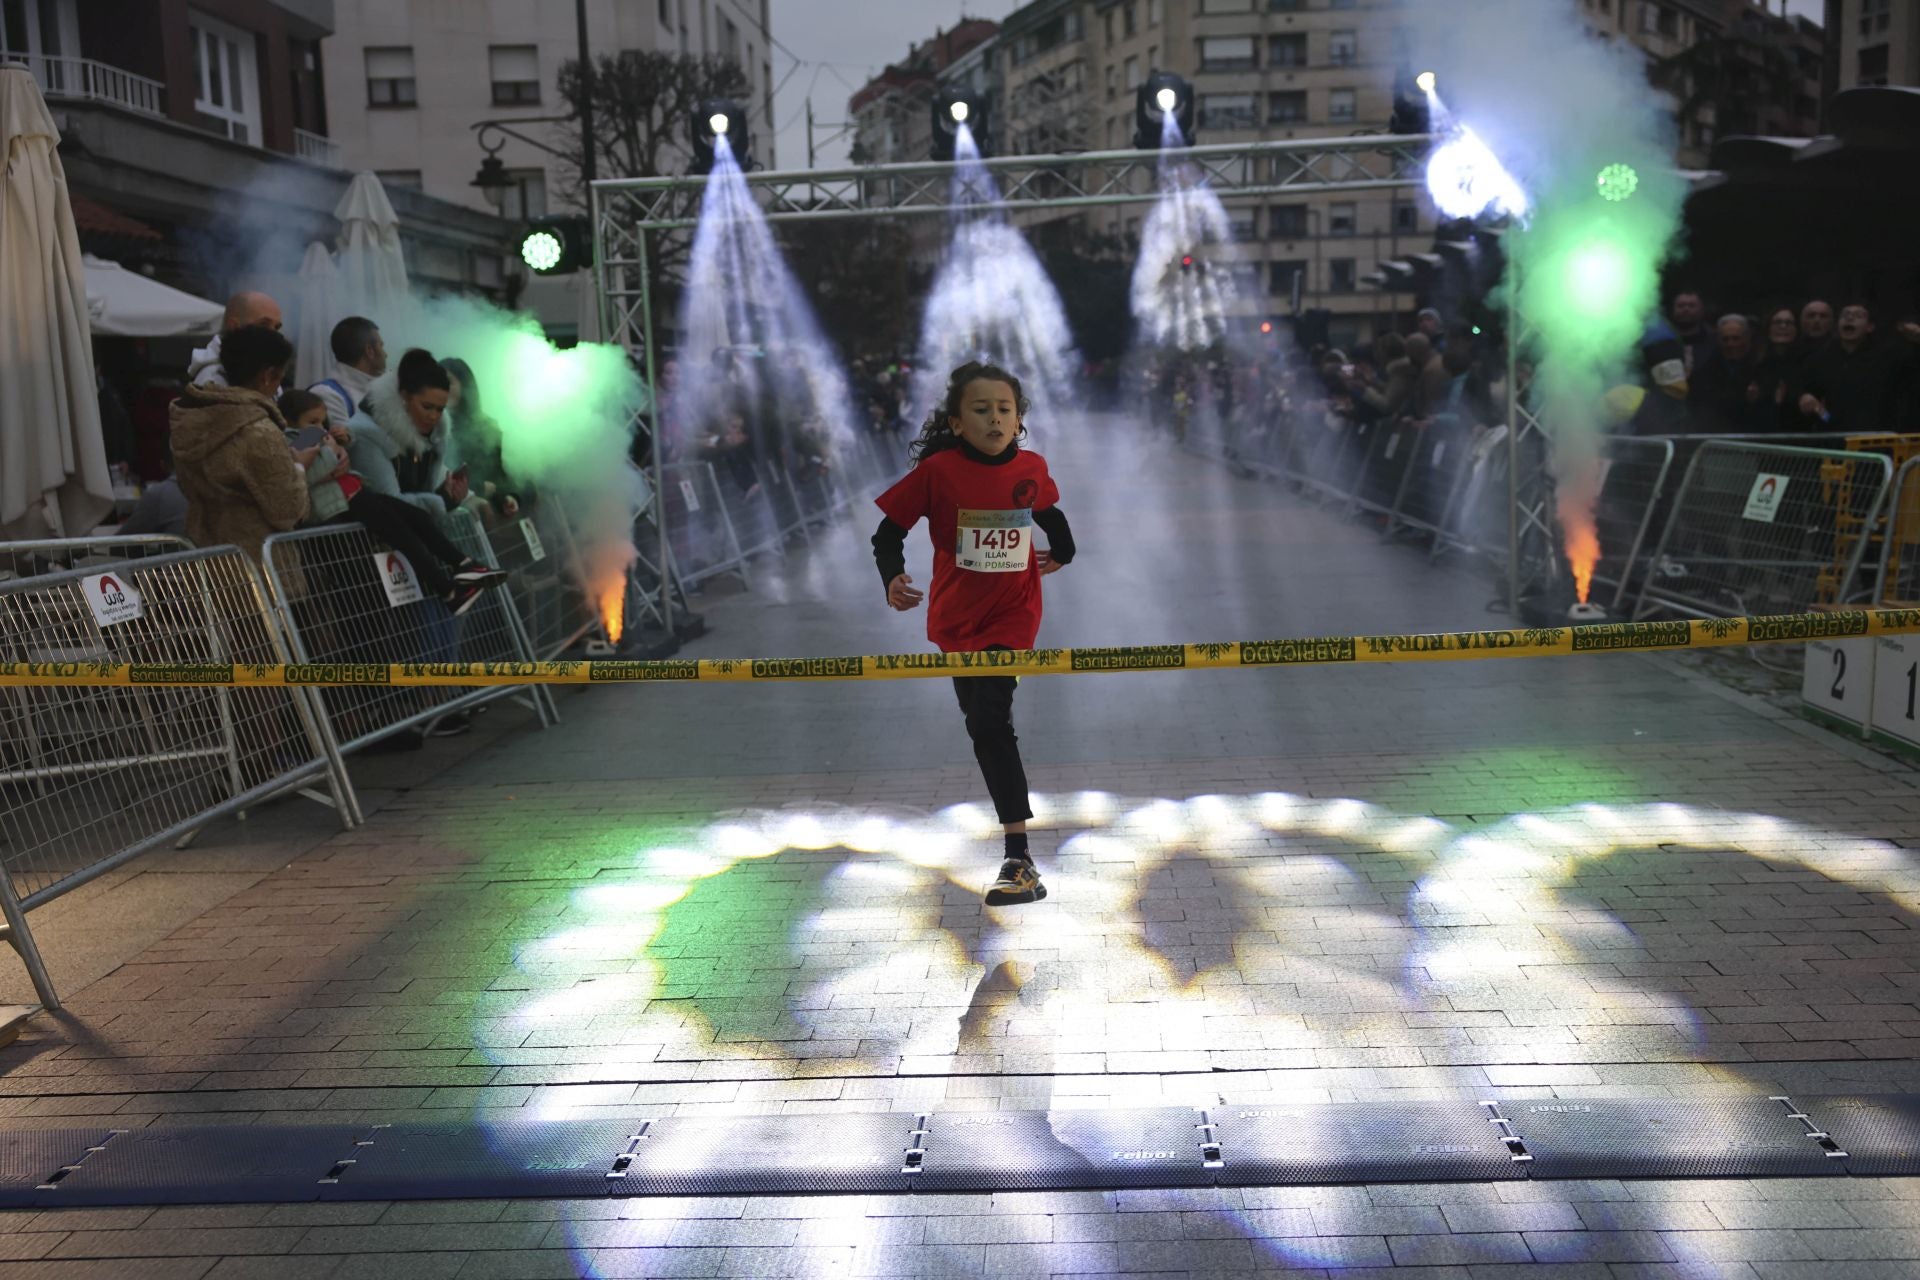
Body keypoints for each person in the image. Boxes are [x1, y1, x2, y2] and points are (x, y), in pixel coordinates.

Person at [871, 361, 1077, 907]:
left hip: (1012, 612)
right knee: (982, 726)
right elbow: (887, 533)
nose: (994, 418)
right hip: (957, 616)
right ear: (957, 423)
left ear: (1019, 419)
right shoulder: (938, 472)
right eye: (980, 410)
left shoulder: (1031, 466)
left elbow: (1050, 514)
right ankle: (1019, 858)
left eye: (1004, 409)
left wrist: (1064, 550)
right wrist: (892, 578)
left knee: (991, 713)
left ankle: (1018, 856)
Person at [281, 386, 505, 616]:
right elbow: (312, 471)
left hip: (355, 493)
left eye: (322, 421)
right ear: (290, 421)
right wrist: (330, 448)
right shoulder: (294, 440)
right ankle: (447, 589)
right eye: (312, 422)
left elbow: (334, 460)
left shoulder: (314, 437)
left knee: (417, 517)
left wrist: (344, 440)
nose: (319, 428)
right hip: (341, 505)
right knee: (403, 535)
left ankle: (464, 565)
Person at [169, 326, 309, 562]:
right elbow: (289, 511)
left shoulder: (191, 419)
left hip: (208, 559)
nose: (279, 386)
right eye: (280, 377)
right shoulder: (259, 432)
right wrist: (299, 467)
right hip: (261, 567)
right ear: (267, 376)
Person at [346, 348, 464, 517]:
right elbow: (391, 505)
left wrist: (449, 495)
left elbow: (422, 492)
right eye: (427, 407)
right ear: (404, 396)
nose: (433, 417)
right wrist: (441, 501)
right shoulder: (366, 433)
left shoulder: (434, 436)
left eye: (440, 409)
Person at [1798, 302, 1920, 433]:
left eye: (1858, 315)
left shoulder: (1889, 357)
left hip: (1876, 437)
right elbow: (1808, 392)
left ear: (1870, 327)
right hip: (1834, 438)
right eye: (1845, 315)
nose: (1850, 318)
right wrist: (1806, 399)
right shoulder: (1821, 358)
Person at [188, 291, 283, 388]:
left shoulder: (264, 376)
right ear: (234, 326)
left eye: (276, 327)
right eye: (263, 324)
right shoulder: (212, 382)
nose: (273, 334)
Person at [1687, 314, 1761, 434]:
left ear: (1747, 338)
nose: (1731, 344)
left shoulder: (1760, 368)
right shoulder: (1703, 372)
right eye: (1725, 339)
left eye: (1736, 338)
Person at [309, 317, 388, 426]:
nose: (385, 354)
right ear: (370, 351)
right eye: (381, 346)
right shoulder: (326, 394)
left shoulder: (383, 391)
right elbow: (307, 441)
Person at [1667, 290, 1712, 375]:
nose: (1686, 309)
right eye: (1681, 306)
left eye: (1692, 306)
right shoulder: (1662, 342)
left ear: (1701, 310)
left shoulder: (1715, 344)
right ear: (1673, 310)